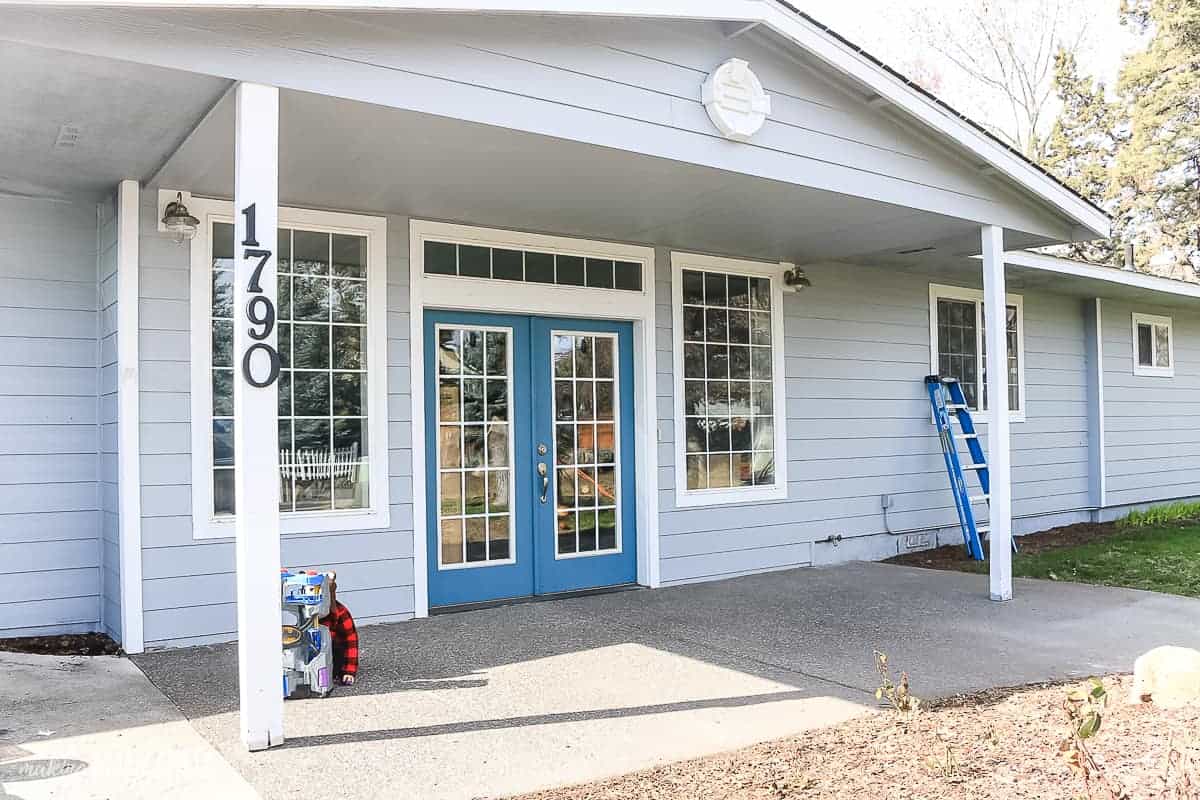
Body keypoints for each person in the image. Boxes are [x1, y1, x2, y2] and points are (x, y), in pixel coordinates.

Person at [320, 574, 359, 686]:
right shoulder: (307, 614)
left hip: (334, 652)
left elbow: (351, 641)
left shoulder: (341, 613)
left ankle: (333, 673)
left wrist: (349, 671)